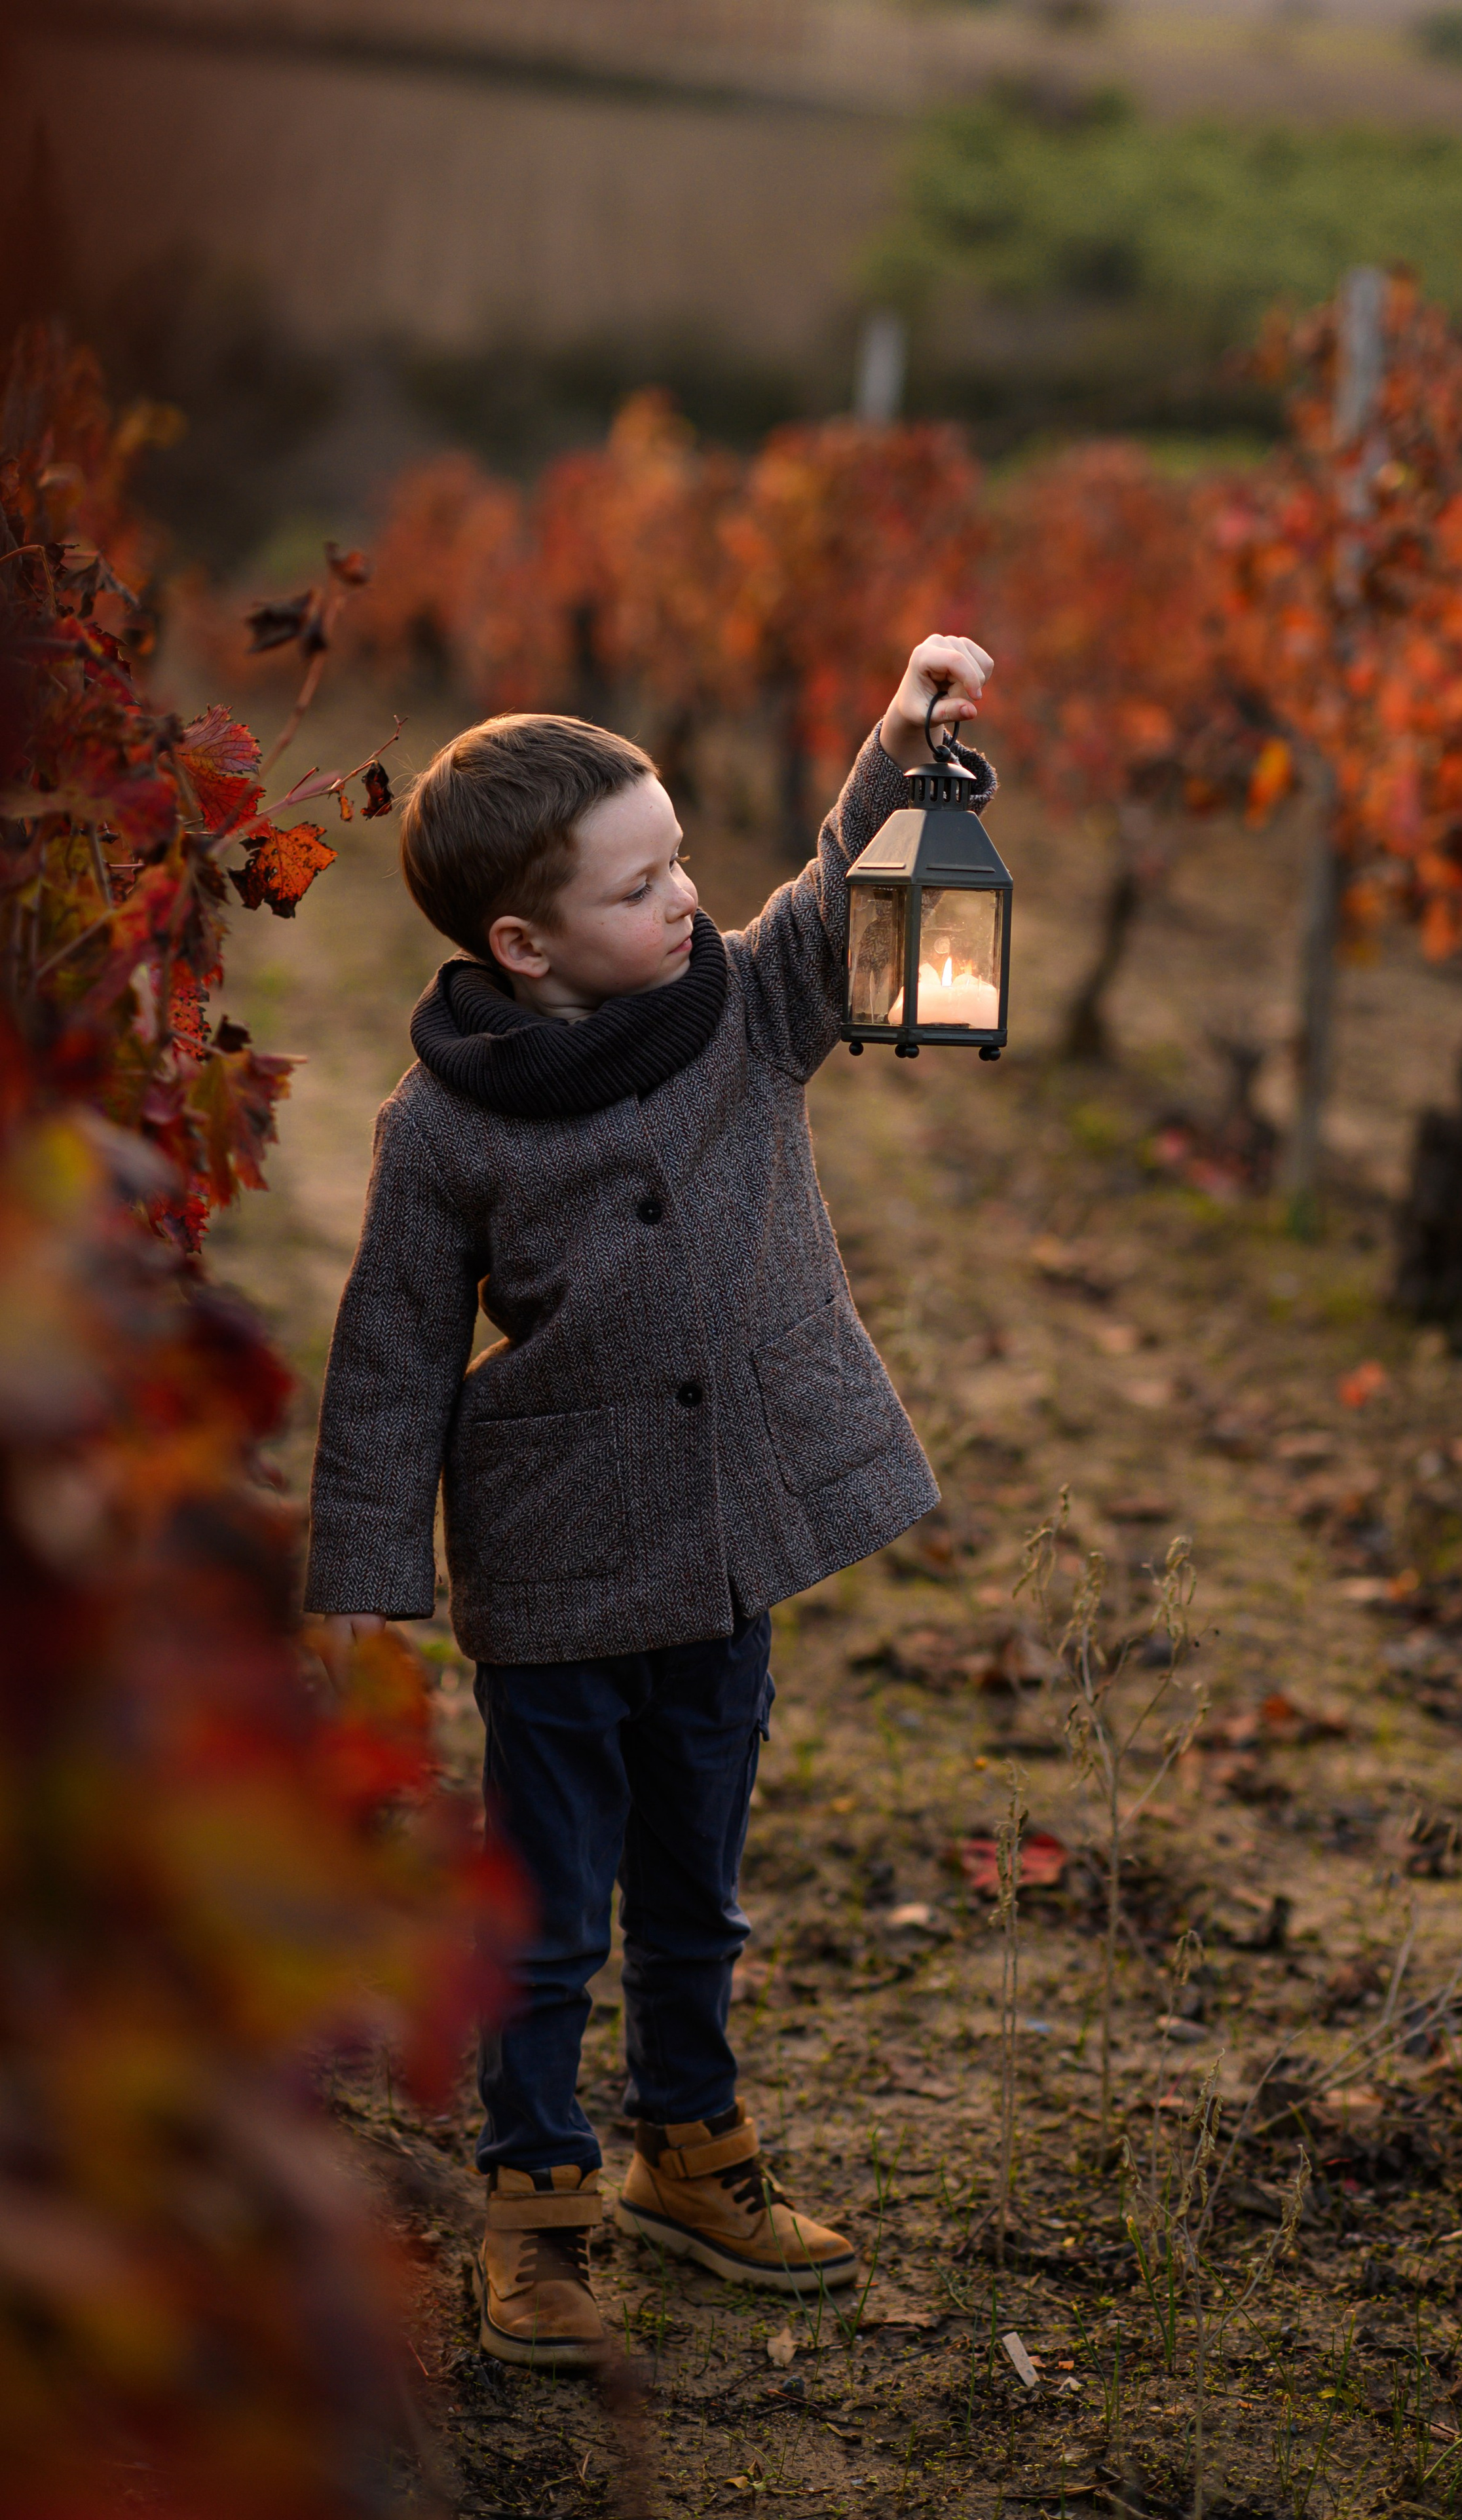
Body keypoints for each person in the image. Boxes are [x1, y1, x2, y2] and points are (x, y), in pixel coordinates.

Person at [305, 634, 996, 2369]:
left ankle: (694, 2153)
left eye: (683, 859)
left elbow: (838, 888)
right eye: (643, 884)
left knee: (697, 1884)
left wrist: (903, 742)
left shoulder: (741, 1010)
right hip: (556, 1574)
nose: (689, 897)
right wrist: (364, 1581)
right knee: (547, 1906)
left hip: (730, 1541)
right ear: (522, 945)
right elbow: (391, 1361)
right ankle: (533, 2207)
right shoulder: (443, 1130)